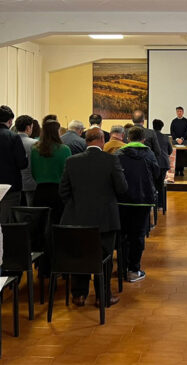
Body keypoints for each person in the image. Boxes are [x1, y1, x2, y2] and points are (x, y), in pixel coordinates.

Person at [60, 128, 128, 307]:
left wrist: (78, 209)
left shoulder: (71, 161)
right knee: (104, 258)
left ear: (86, 141)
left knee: (80, 256)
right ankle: (102, 296)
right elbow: (122, 188)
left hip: (77, 220)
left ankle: (79, 295)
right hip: (105, 219)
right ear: (102, 140)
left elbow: (64, 192)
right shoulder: (111, 160)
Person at [115, 126, 159, 282]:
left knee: (123, 234)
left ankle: (121, 268)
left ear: (127, 138)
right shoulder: (149, 153)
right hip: (143, 200)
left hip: (123, 200)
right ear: (143, 139)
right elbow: (156, 172)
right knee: (138, 235)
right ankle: (134, 270)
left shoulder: (119, 153)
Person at [31, 119, 71, 224]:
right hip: (58, 191)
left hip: (40, 190)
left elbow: (33, 172)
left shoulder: (35, 149)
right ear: (56, 132)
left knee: (40, 224)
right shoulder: (65, 149)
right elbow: (67, 172)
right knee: (57, 223)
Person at [0, 105, 28, 223]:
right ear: (10, 121)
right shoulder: (13, 137)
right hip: (10, 186)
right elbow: (22, 163)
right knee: (7, 221)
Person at [15, 115, 37, 206]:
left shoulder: (11, 141)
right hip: (31, 184)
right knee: (30, 213)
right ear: (28, 128)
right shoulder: (34, 144)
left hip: (14, 184)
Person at [153, 119, 172, 208]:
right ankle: (160, 205)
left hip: (153, 163)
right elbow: (170, 151)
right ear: (161, 127)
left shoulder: (150, 136)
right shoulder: (165, 137)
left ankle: (153, 203)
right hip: (163, 163)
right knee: (160, 184)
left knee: (153, 183)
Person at [171, 106, 187, 176]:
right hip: (175, 141)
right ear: (176, 112)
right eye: (178, 111)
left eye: (180, 111)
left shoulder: (186, 121)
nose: (179, 113)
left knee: (182, 156)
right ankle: (176, 171)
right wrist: (177, 139)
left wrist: (182, 139)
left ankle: (181, 171)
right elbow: (172, 132)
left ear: (183, 112)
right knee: (176, 156)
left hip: (184, 141)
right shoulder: (174, 121)